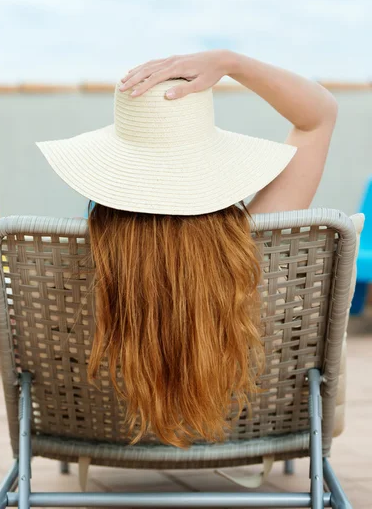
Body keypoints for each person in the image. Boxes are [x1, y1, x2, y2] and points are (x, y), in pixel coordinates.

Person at [37, 50, 338, 448]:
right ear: (211, 163)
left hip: (105, 433)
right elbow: (320, 115)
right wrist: (231, 63)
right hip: (240, 431)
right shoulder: (256, 245)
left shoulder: (74, 258)